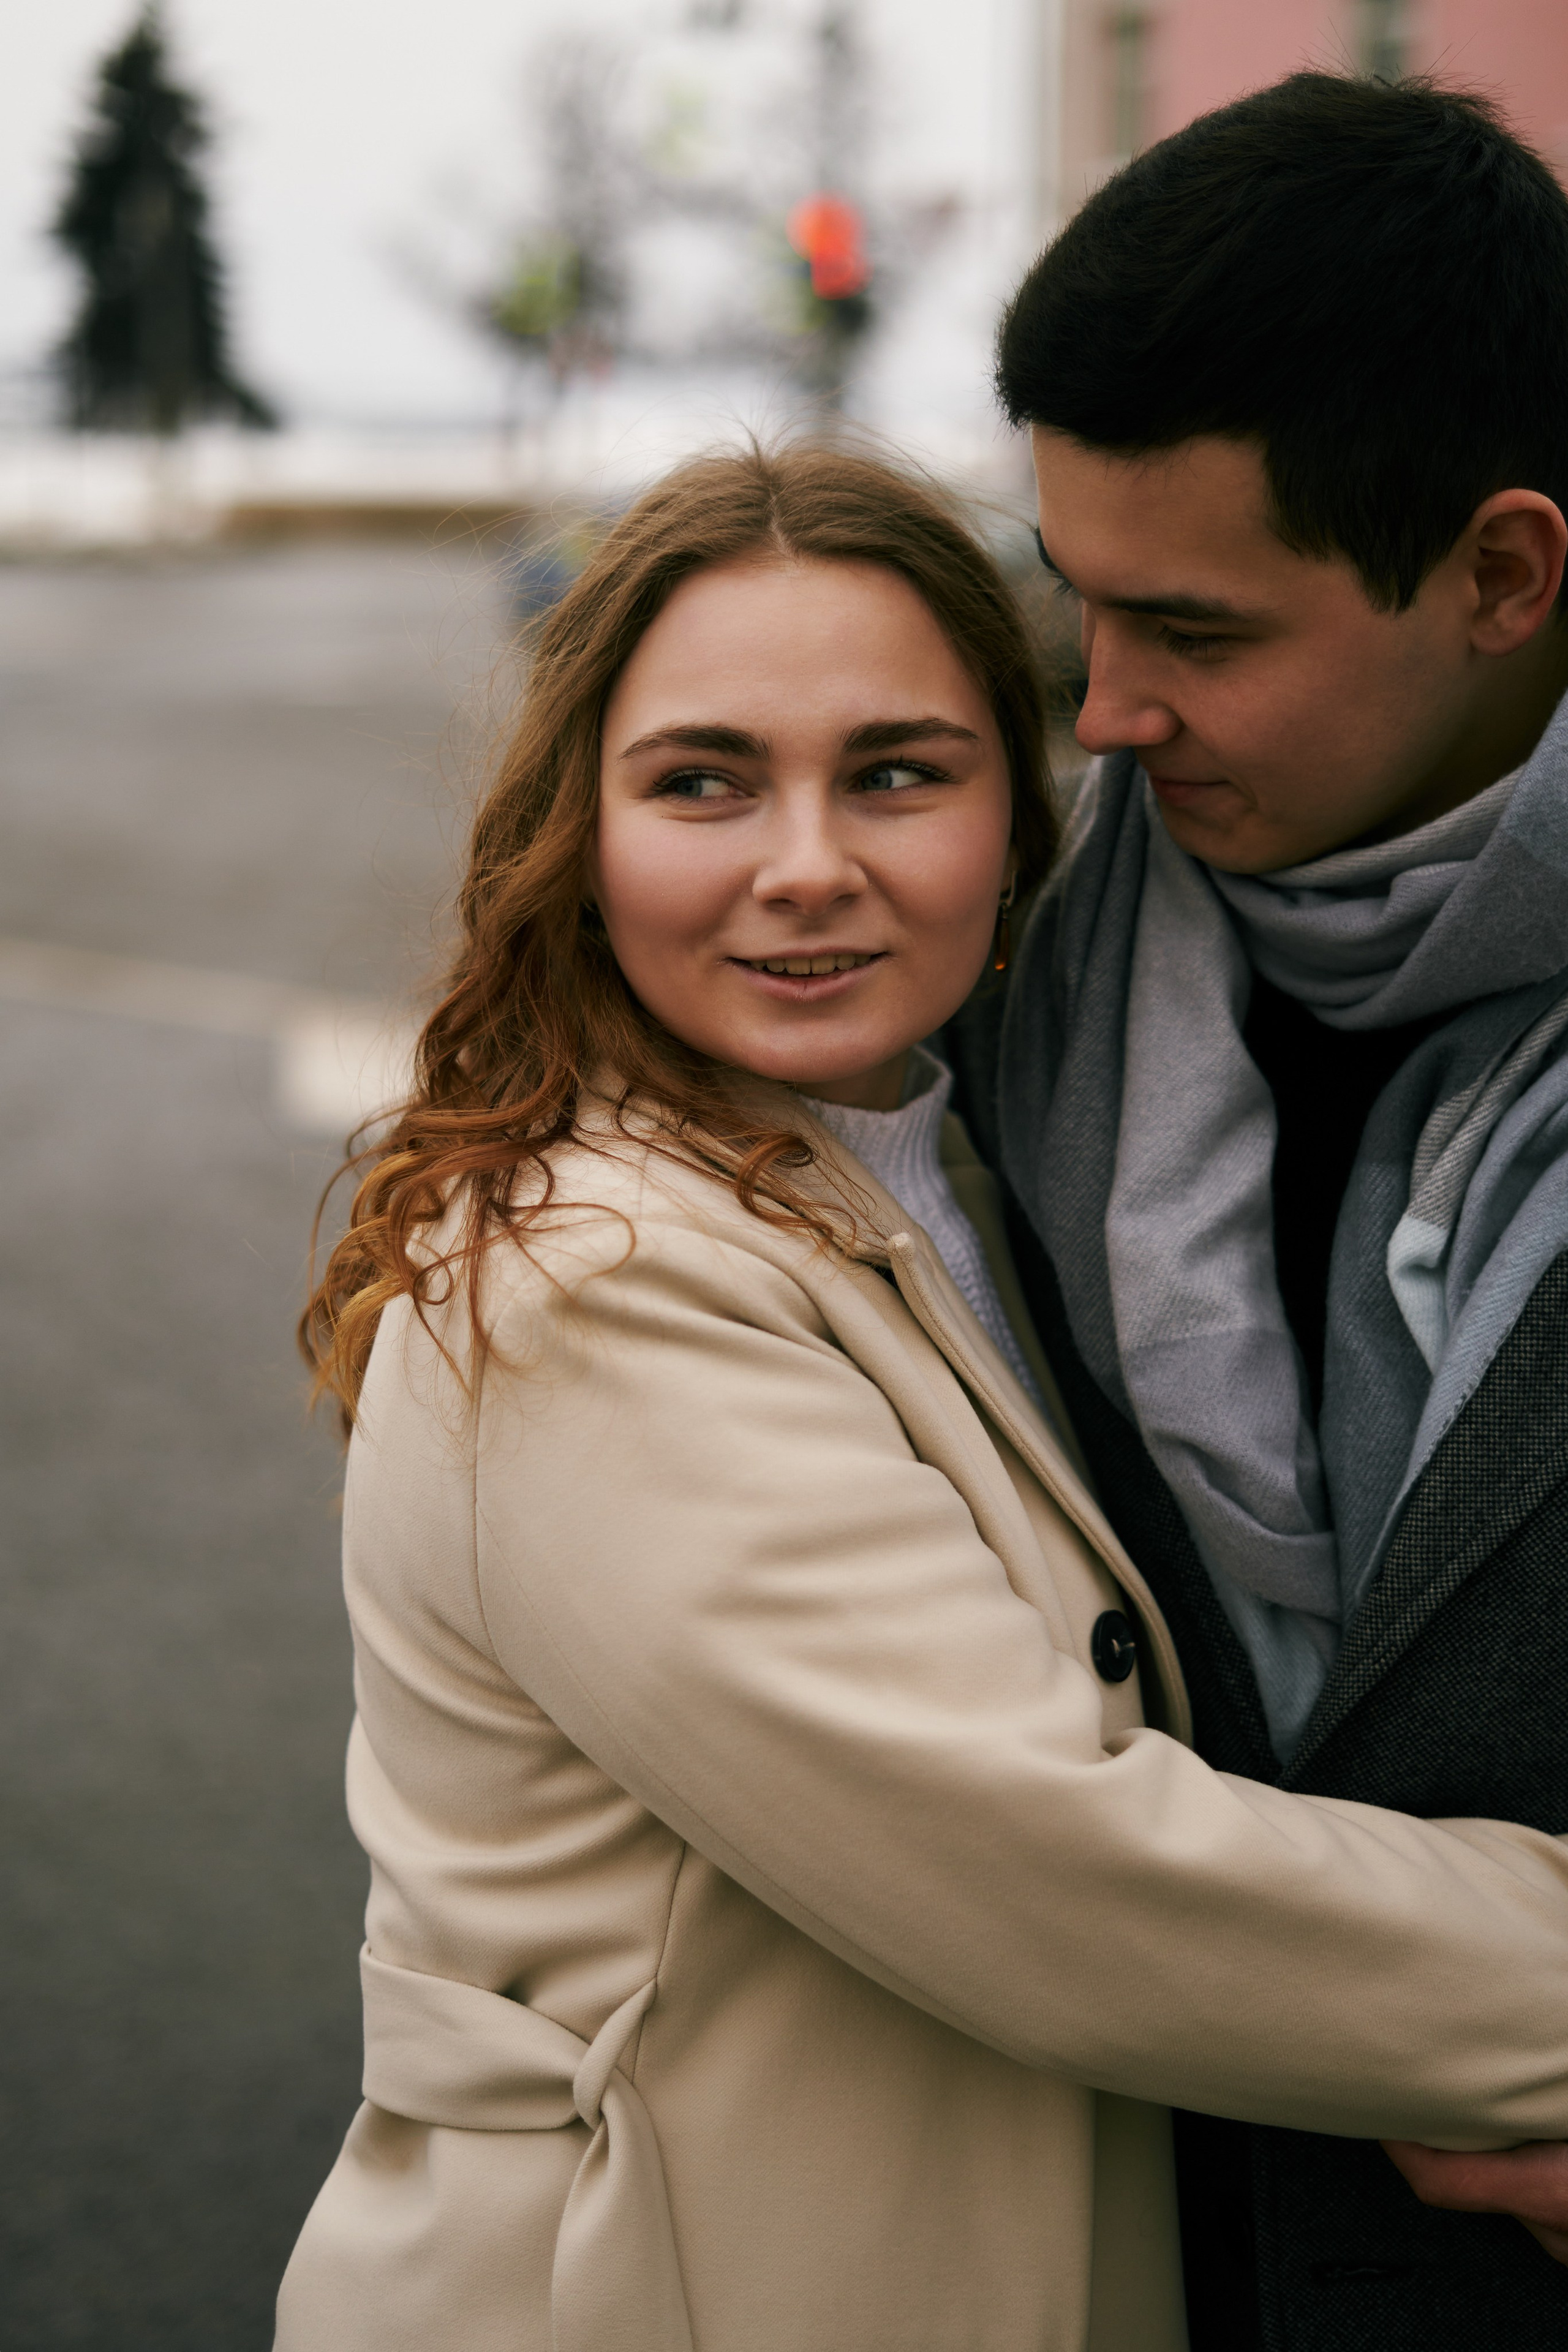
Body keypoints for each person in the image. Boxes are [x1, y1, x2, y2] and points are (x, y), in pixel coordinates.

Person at [277, 445, 1568, 2352]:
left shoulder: (937, 1174)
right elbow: (1072, 1875)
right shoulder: (593, 1284)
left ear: (1016, 819)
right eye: (705, 780)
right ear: (583, 825)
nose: (811, 866)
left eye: (898, 771)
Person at [967, 68, 1568, 2352]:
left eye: (1197, 632)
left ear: (1504, 573)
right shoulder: (1012, 945)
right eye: (1078, 605)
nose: (1104, 716)